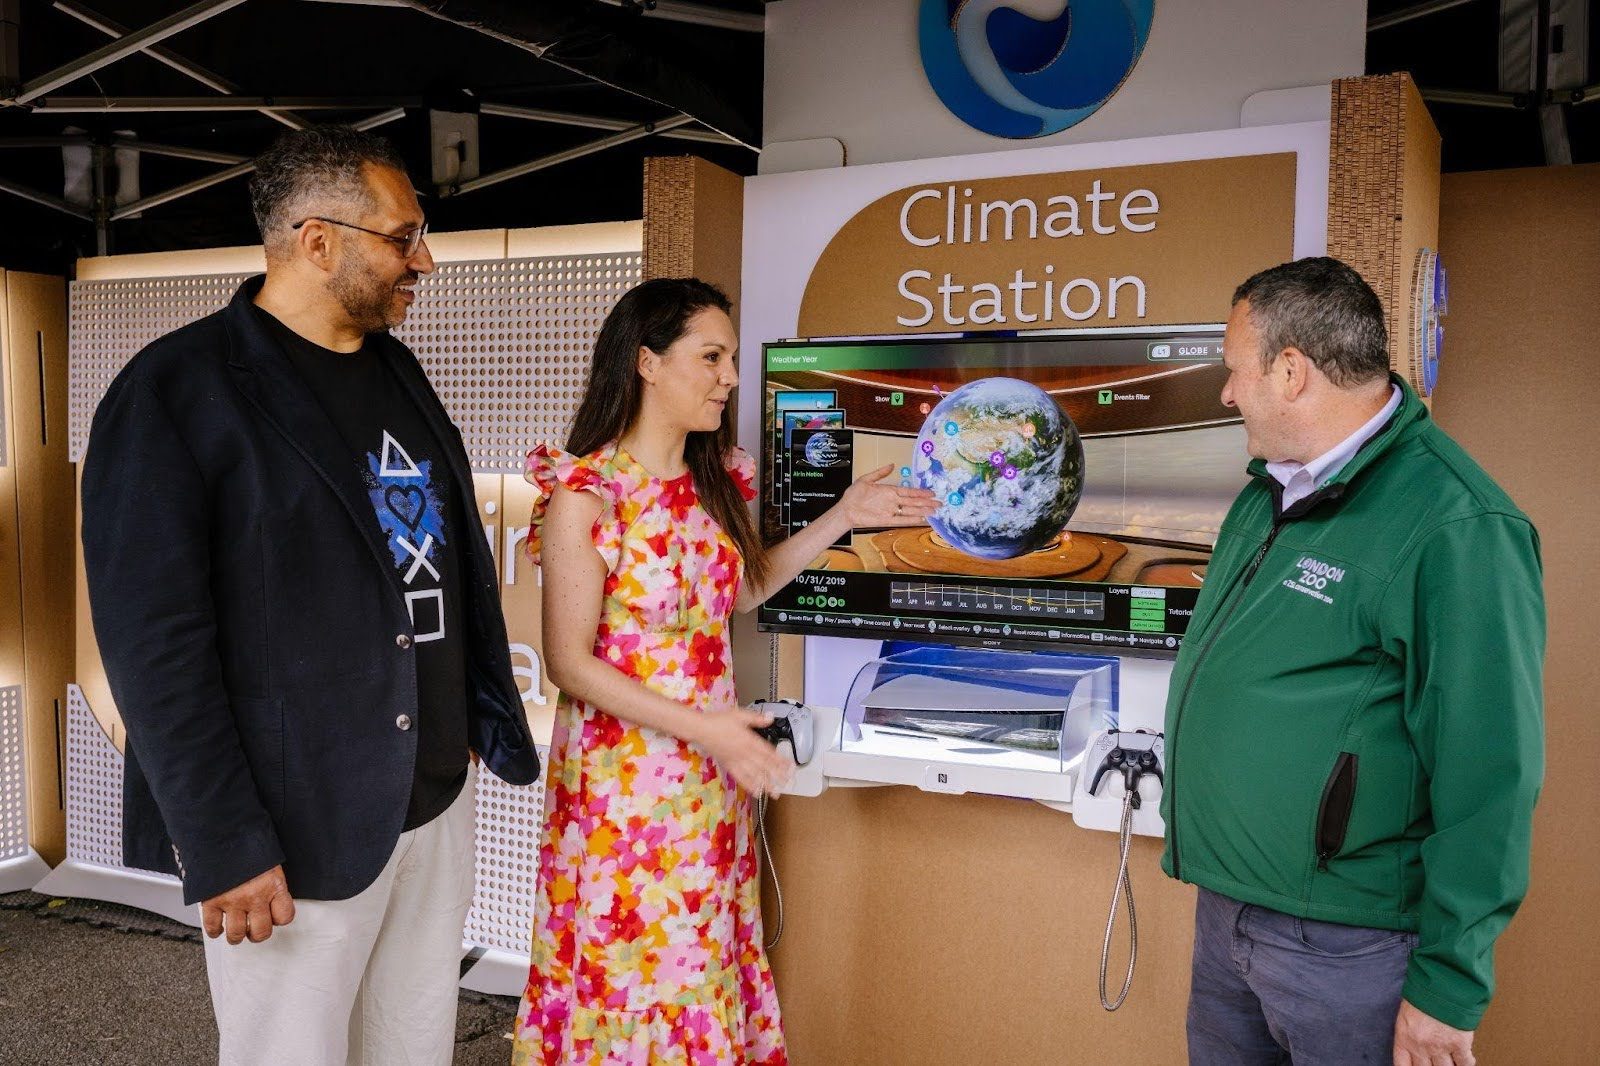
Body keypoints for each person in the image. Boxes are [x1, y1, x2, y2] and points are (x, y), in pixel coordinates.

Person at [81, 125, 540, 1066]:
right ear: (317, 241)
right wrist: (223, 839)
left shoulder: (396, 370)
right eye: (403, 238)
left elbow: (437, 561)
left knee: (412, 1048)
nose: (424, 261)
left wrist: (467, 712)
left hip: (429, 801)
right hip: (290, 829)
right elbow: (153, 644)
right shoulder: (173, 389)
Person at [511, 278, 937, 1064]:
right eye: (712, 357)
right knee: (630, 966)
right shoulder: (587, 492)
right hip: (623, 790)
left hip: (711, 777)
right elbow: (569, 663)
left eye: (731, 359)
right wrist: (707, 729)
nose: (731, 377)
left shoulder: (716, 479)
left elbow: (739, 592)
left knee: (702, 956)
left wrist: (843, 517)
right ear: (647, 362)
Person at [1161, 257, 1544, 1066]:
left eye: (1235, 370)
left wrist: (1449, 987)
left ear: (1290, 370)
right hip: (1228, 915)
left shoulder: (1457, 524)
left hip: (1345, 949)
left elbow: (1491, 775)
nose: (1226, 394)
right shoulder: (1267, 492)